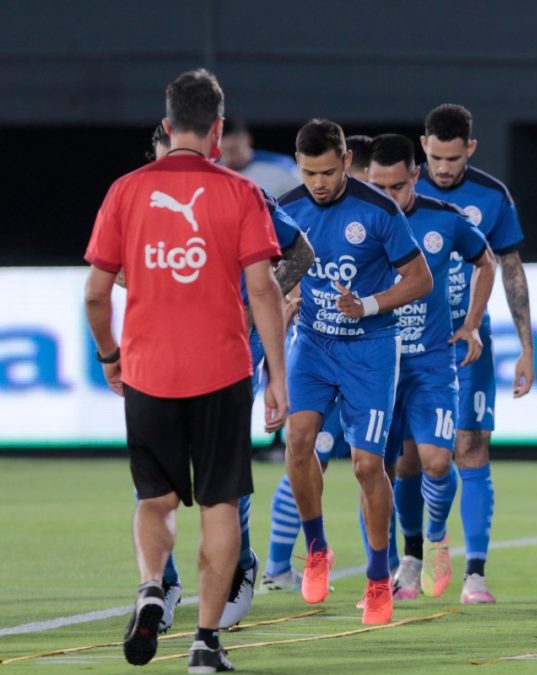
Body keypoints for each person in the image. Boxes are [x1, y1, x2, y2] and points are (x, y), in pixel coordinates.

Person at [84, 68, 287, 672]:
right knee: (221, 504)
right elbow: (264, 289)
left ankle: (152, 587)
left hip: (148, 372)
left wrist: (110, 356)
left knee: (155, 499)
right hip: (222, 372)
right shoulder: (240, 192)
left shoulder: (125, 190)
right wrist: (278, 376)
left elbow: (96, 295)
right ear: (218, 129)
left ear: (168, 126)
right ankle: (205, 643)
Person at [145, 125, 313, 632]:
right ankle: (163, 581)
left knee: (223, 475)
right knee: (155, 483)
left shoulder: (245, 192)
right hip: (165, 351)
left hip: (230, 351)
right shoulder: (139, 193)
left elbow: (300, 252)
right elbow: (119, 268)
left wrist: (252, 305)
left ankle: (239, 568)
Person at [279, 118, 432, 625]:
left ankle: (376, 578)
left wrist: (367, 305)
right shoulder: (289, 209)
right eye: (308, 172)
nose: (318, 183)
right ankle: (317, 547)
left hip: (369, 348)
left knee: (368, 466)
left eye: (327, 171)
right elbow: (274, 281)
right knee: (298, 440)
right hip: (314, 346)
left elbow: (420, 279)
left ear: (346, 160)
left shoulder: (379, 210)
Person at [364, 134, 495, 600]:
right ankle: (397, 566)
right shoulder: (357, 218)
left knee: (438, 461)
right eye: (377, 187)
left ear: (414, 176)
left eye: (396, 187)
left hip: (432, 360)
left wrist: (473, 323)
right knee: (382, 466)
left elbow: (487, 260)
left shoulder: (443, 220)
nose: (387, 198)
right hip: (377, 359)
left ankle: (436, 536)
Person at [415, 103, 535, 604]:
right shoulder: (402, 189)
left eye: (453, 158)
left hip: (470, 340)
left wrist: (526, 346)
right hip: (412, 340)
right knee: (412, 460)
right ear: (424, 145)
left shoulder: (491, 196)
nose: (444, 168)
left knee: (471, 447)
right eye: (436, 157)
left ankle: (475, 574)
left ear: (470, 149)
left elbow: (509, 268)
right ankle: (424, 544)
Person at [220, 117, 302, 197]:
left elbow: (305, 203)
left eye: (233, 150)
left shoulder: (281, 167)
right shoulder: (211, 174)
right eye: (222, 152)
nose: (228, 158)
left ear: (247, 140)